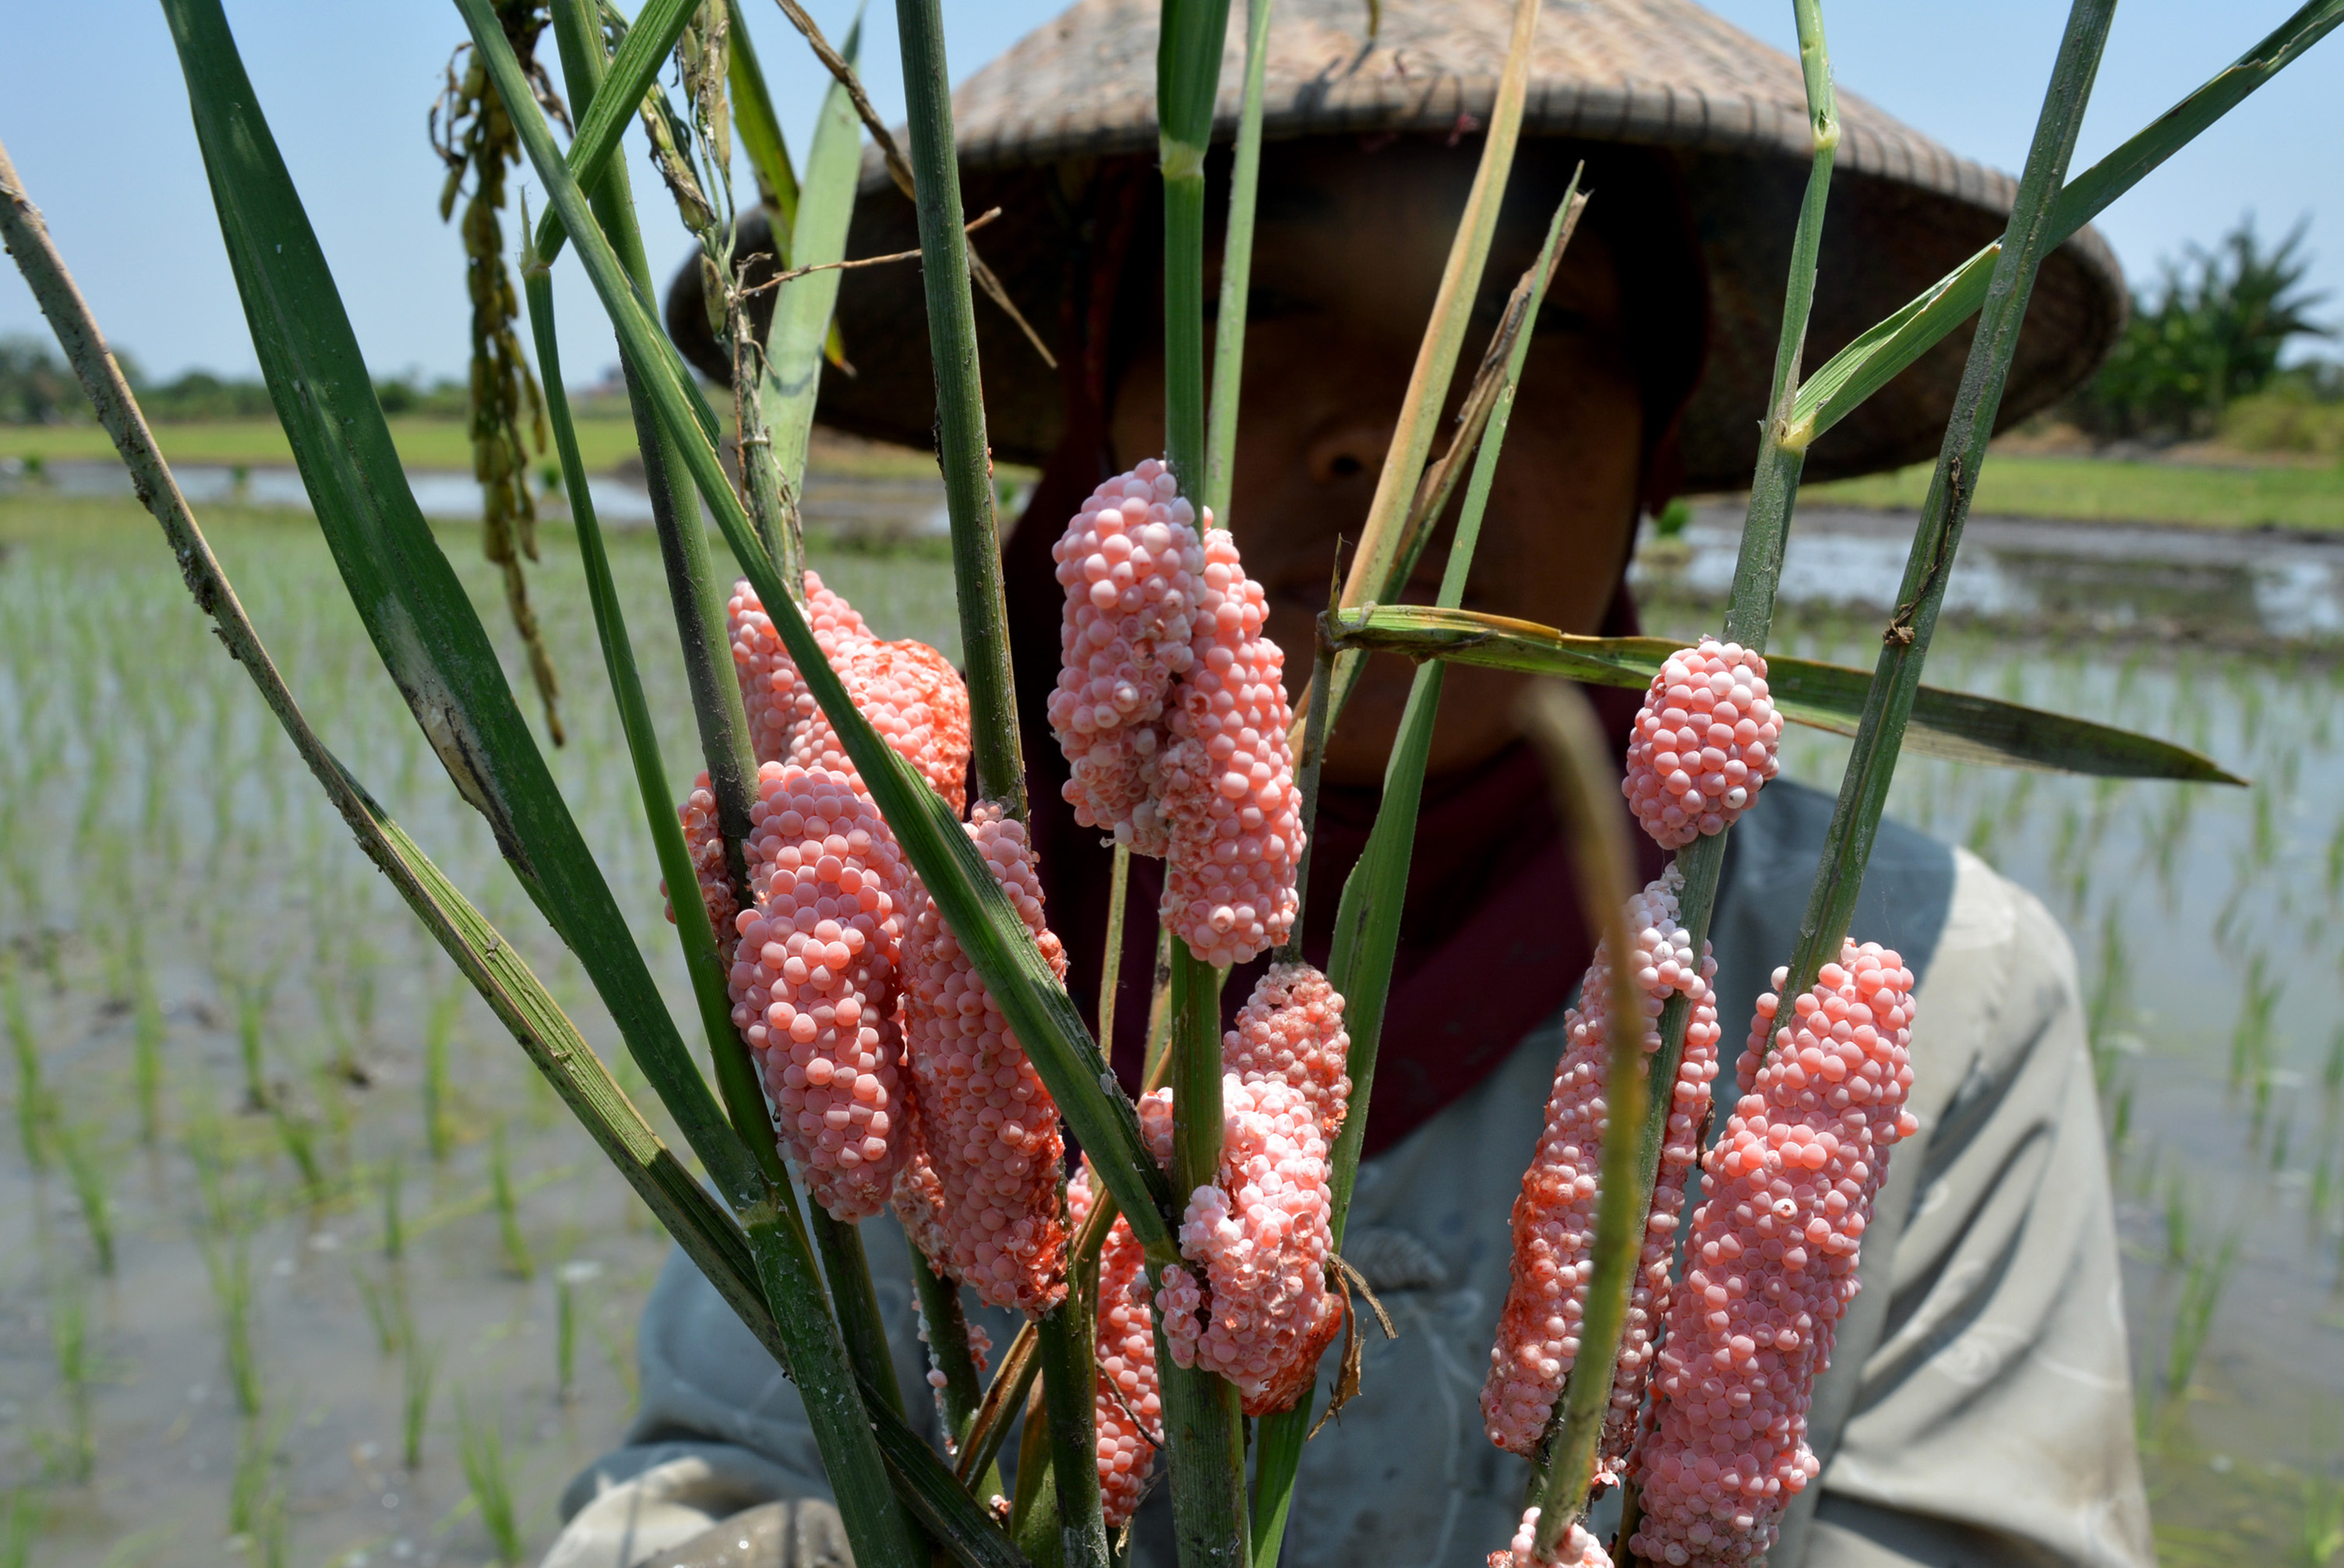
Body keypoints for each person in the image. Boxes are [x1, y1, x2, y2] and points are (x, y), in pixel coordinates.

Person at [546, 1, 2151, 1563]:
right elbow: (715, 1480)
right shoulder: (899, 925)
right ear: (1108, 403)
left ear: (1655, 448)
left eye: (1529, 328)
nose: (1381, 437)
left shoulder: (1921, 979)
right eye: (1272, 309)